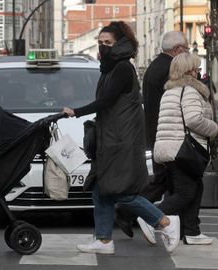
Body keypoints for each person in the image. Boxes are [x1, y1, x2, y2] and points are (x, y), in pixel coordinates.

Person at [62, 21, 180, 254]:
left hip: (121, 141)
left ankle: (164, 221)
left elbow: (107, 101)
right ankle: (104, 240)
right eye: (100, 42)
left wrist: (76, 112)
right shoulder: (110, 68)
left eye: (108, 42)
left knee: (120, 192)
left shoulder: (122, 69)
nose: (103, 47)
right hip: (111, 138)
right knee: (100, 188)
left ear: (120, 44)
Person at [137, 52, 218, 245]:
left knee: (195, 188)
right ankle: (151, 216)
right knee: (186, 193)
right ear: (189, 70)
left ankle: (191, 231)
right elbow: (193, 120)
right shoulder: (189, 91)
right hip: (182, 150)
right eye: (197, 67)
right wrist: (214, 128)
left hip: (170, 148)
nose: (199, 71)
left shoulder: (170, 91)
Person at [115, 31, 190, 238]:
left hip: (157, 131)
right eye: (186, 49)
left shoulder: (156, 65)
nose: (187, 53)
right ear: (176, 50)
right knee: (164, 180)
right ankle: (129, 211)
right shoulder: (169, 68)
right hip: (164, 133)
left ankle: (174, 224)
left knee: (166, 181)